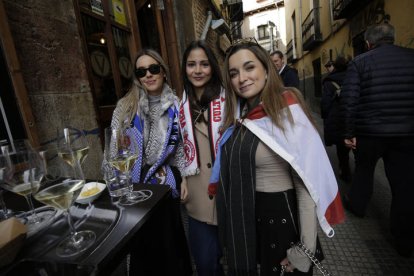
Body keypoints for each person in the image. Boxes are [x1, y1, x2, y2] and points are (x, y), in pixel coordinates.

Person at [209, 41, 344, 275]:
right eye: (234, 73)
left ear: (265, 69)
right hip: (248, 219)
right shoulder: (238, 115)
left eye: (249, 68)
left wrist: (305, 249)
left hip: (280, 221)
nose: (242, 78)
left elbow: (306, 184)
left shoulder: (286, 108)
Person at [107, 48, 192, 275]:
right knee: (142, 253)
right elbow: (113, 154)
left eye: (154, 68)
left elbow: (182, 149)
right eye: (142, 71)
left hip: (165, 188)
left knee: (169, 250)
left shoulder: (177, 106)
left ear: (163, 72)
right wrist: (116, 188)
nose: (148, 75)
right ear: (137, 77)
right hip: (134, 190)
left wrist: (184, 177)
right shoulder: (125, 108)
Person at [340, 23, 414, 258]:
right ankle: (404, 241)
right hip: (407, 134)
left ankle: (358, 206)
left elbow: (350, 100)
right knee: (404, 187)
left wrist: (348, 132)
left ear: (368, 43)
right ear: (393, 38)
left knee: (364, 170)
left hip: (370, 132)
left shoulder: (359, 62)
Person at [179, 40, 225, 276]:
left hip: (229, 194)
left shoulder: (230, 101)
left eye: (204, 64)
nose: (197, 70)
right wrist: (182, 178)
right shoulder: (181, 106)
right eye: (191, 64)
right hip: (197, 198)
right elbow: (177, 148)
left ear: (213, 67)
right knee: (206, 265)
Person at [321, 56, 351, 181]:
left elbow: (326, 103)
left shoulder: (329, 82)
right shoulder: (353, 76)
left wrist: (325, 116)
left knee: (342, 149)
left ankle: (345, 172)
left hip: (338, 119)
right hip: (354, 117)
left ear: (335, 67)